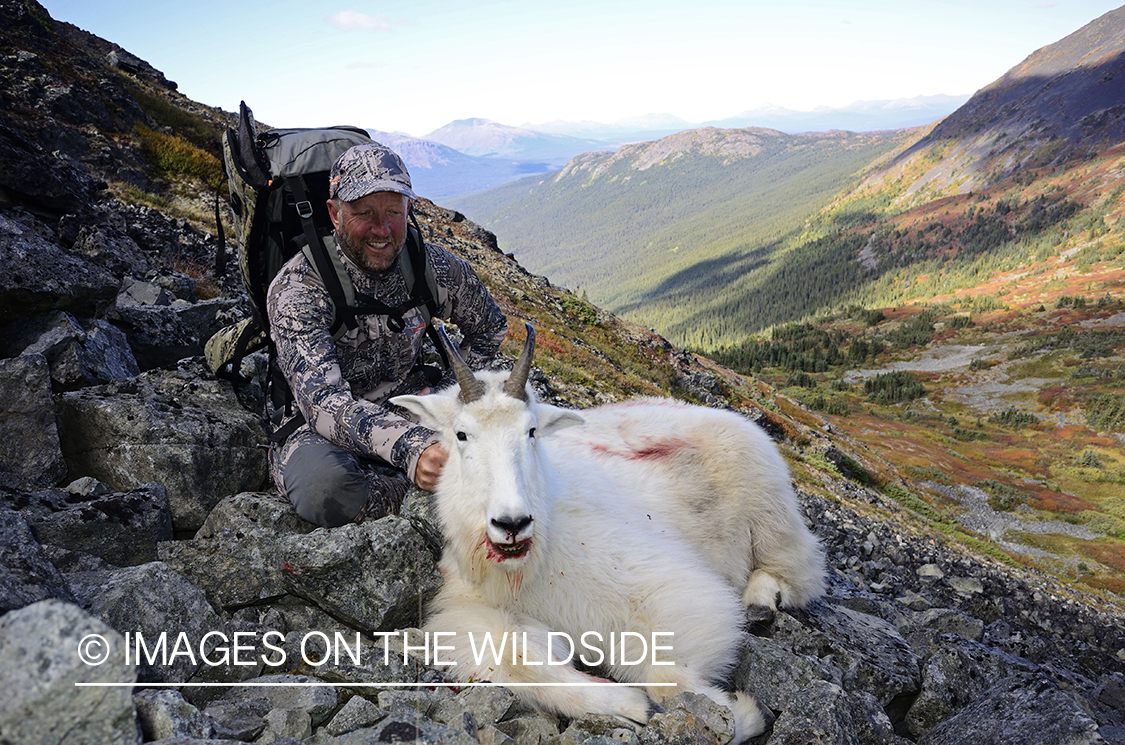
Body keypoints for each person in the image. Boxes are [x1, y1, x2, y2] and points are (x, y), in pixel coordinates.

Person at [266, 143, 508, 527]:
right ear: (335, 213)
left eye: (394, 212)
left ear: (408, 209)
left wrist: (448, 396)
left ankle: (446, 493)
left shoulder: (431, 265)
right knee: (324, 490)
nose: (382, 229)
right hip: (319, 425)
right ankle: (426, 502)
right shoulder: (299, 288)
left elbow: (491, 327)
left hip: (410, 403)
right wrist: (411, 448)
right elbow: (322, 402)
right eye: (364, 213)